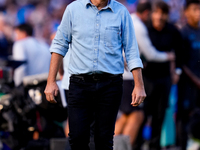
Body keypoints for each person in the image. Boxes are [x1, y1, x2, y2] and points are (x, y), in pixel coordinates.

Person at [44, 0, 146, 149]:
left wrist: (139, 85)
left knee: (104, 139)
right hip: (79, 84)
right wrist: (51, 81)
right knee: (77, 137)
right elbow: (59, 45)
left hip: (110, 85)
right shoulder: (73, 9)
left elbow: (131, 51)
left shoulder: (121, 12)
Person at [142, 1, 183, 149]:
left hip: (164, 77)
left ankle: (155, 145)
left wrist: (177, 71)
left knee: (160, 114)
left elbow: (180, 52)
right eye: (157, 12)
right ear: (152, 14)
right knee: (144, 113)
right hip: (146, 77)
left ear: (167, 15)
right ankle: (138, 144)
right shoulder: (145, 29)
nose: (159, 16)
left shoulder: (172, 30)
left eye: (163, 13)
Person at [177, 0, 200, 149]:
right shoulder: (182, 33)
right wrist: (196, 80)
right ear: (186, 12)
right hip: (188, 85)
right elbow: (181, 63)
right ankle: (182, 145)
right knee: (185, 117)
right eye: (195, 9)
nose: (198, 13)